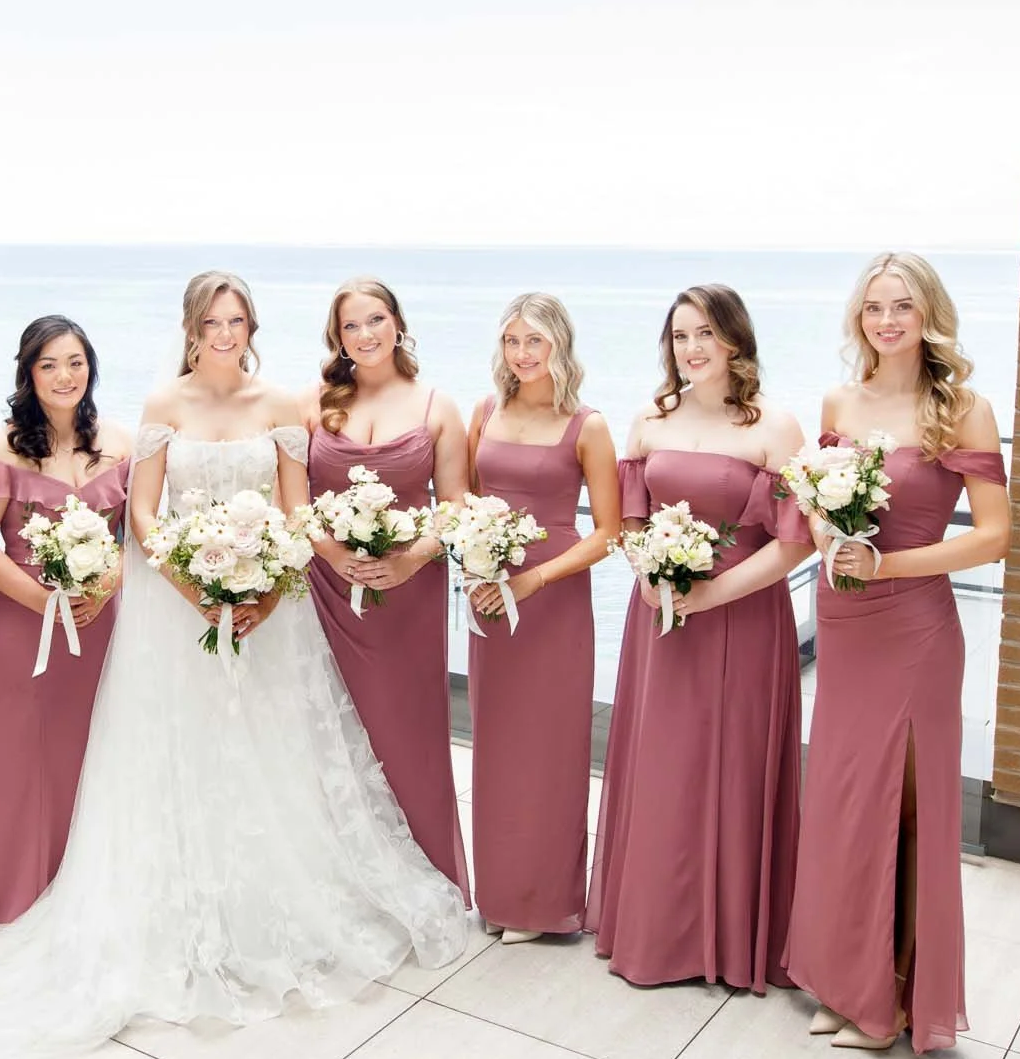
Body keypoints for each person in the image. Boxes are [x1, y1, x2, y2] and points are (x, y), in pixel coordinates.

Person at [0, 270, 468, 1059]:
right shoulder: (161, 407)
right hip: (175, 614)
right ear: (190, 328)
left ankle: (258, 915)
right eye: (211, 321)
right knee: (178, 760)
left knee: (266, 760)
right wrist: (192, 582)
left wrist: (264, 592)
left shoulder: (281, 406)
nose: (224, 333)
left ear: (253, 326)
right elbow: (141, 518)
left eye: (237, 320)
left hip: (267, 616)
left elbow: (295, 515)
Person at [786, 252, 1010, 1053]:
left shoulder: (964, 411)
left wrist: (888, 564)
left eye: (903, 307)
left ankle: (896, 1002)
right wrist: (826, 536)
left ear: (928, 317)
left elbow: (993, 538)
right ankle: (845, 981)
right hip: (842, 623)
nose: (887, 320)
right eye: (875, 306)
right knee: (846, 800)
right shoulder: (840, 399)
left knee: (905, 806)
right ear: (859, 318)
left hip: (914, 627)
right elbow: (818, 501)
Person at [589, 285, 812, 993]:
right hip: (661, 620)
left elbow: (793, 545)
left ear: (736, 341)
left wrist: (713, 592)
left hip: (743, 618)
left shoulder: (774, 427)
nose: (691, 349)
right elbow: (628, 520)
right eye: (681, 336)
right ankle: (657, 929)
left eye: (705, 335)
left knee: (731, 767)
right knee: (665, 767)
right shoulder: (649, 421)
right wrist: (649, 579)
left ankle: (730, 939)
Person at [0, 317, 133, 932]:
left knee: (90, 753)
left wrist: (106, 583)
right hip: (21, 625)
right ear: (28, 372)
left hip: (98, 624)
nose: (65, 375)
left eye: (76, 361)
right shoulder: (2, 449)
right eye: (49, 364)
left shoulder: (120, 443)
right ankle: (9, 901)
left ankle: (83, 892)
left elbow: (135, 538)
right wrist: (41, 600)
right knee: (17, 758)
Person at [302, 278, 471, 901]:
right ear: (337, 337)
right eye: (351, 326)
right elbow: (291, 500)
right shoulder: (315, 403)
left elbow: (455, 507)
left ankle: (428, 882)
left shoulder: (437, 407)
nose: (366, 334)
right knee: (330, 732)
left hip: (409, 594)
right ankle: (340, 888)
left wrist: (410, 561)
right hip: (322, 591)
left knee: (409, 731)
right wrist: (333, 552)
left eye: (376, 319)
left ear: (398, 322)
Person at [465, 293, 622, 944]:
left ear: (560, 343)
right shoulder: (484, 412)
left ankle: (545, 902)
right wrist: (476, 565)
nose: (523, 355)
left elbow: (608, 532)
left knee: (550, 751)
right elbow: (468, 503)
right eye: (511, 342)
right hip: (490, 597)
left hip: (552, 601)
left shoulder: (587, 426)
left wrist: (533, 577)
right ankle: (500, 894)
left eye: (535, 341)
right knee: (496, 746)